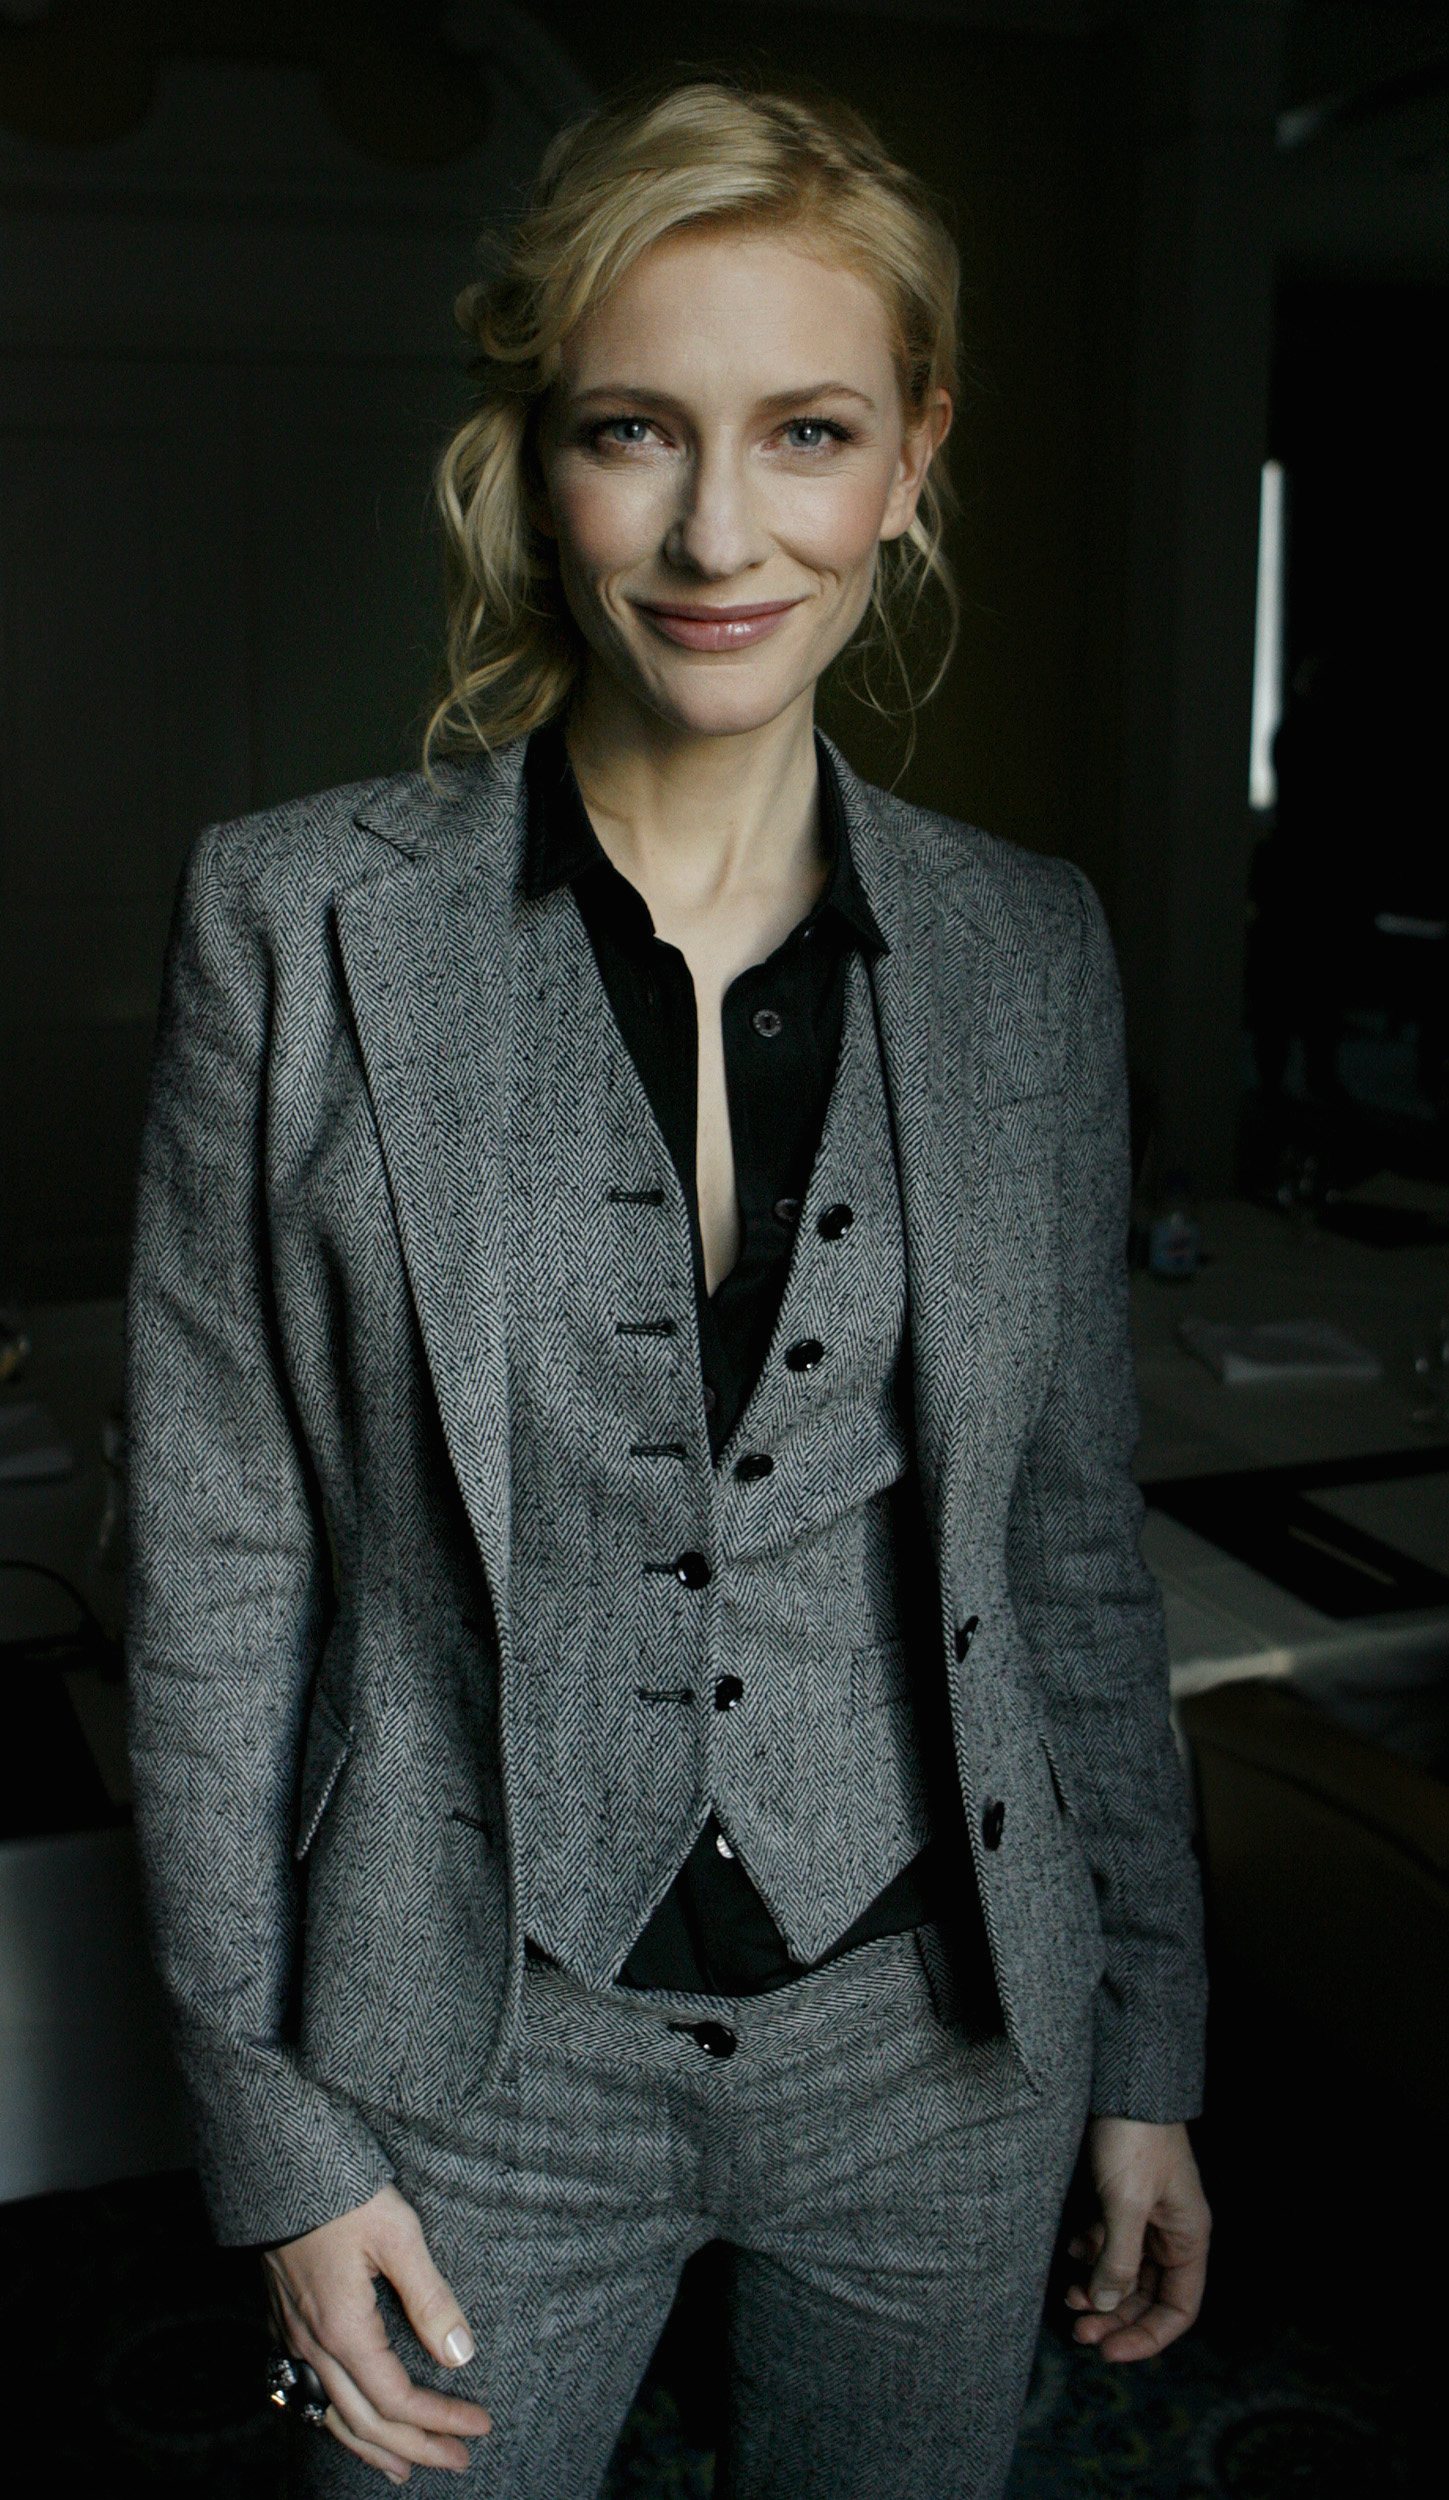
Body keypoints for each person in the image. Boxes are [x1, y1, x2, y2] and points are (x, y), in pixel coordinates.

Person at [124, 79, 1210, 2500]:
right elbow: (217, 1574)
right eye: (634, 429)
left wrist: (1145, 2041)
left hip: (940, 2053)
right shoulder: (287, 922)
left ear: (908, 462)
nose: (722, 532)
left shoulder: (1029, 948)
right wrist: (274, 2137)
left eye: (805, 430)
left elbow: (1065, 1552)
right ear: (535, 465)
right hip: (462, 2055)